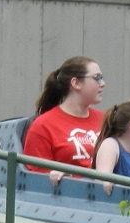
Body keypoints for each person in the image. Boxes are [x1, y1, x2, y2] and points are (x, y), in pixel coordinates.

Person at [23, 56, 106, 185]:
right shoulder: (42, 125)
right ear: (76, 83)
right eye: (97, 78)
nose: (102, 84)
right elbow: (36, 181)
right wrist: (66, 176)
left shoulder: (106, 120)